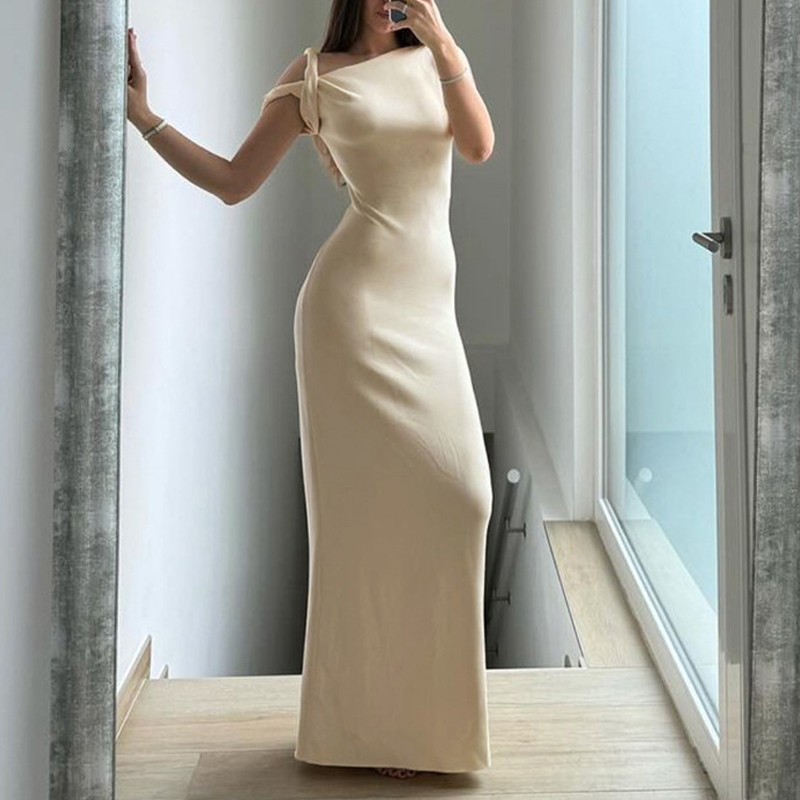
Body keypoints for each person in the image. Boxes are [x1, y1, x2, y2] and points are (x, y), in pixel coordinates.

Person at [126, 0, 495, 782]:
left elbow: (478, 145)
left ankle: (426, 728)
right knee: (359, 526)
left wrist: (442, 39)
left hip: (429, 316)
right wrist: (144, 117)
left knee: (465, 498)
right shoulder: (315, 77)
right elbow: (233, 182)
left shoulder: (434, 59)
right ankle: (373, 735)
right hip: (350, 315)